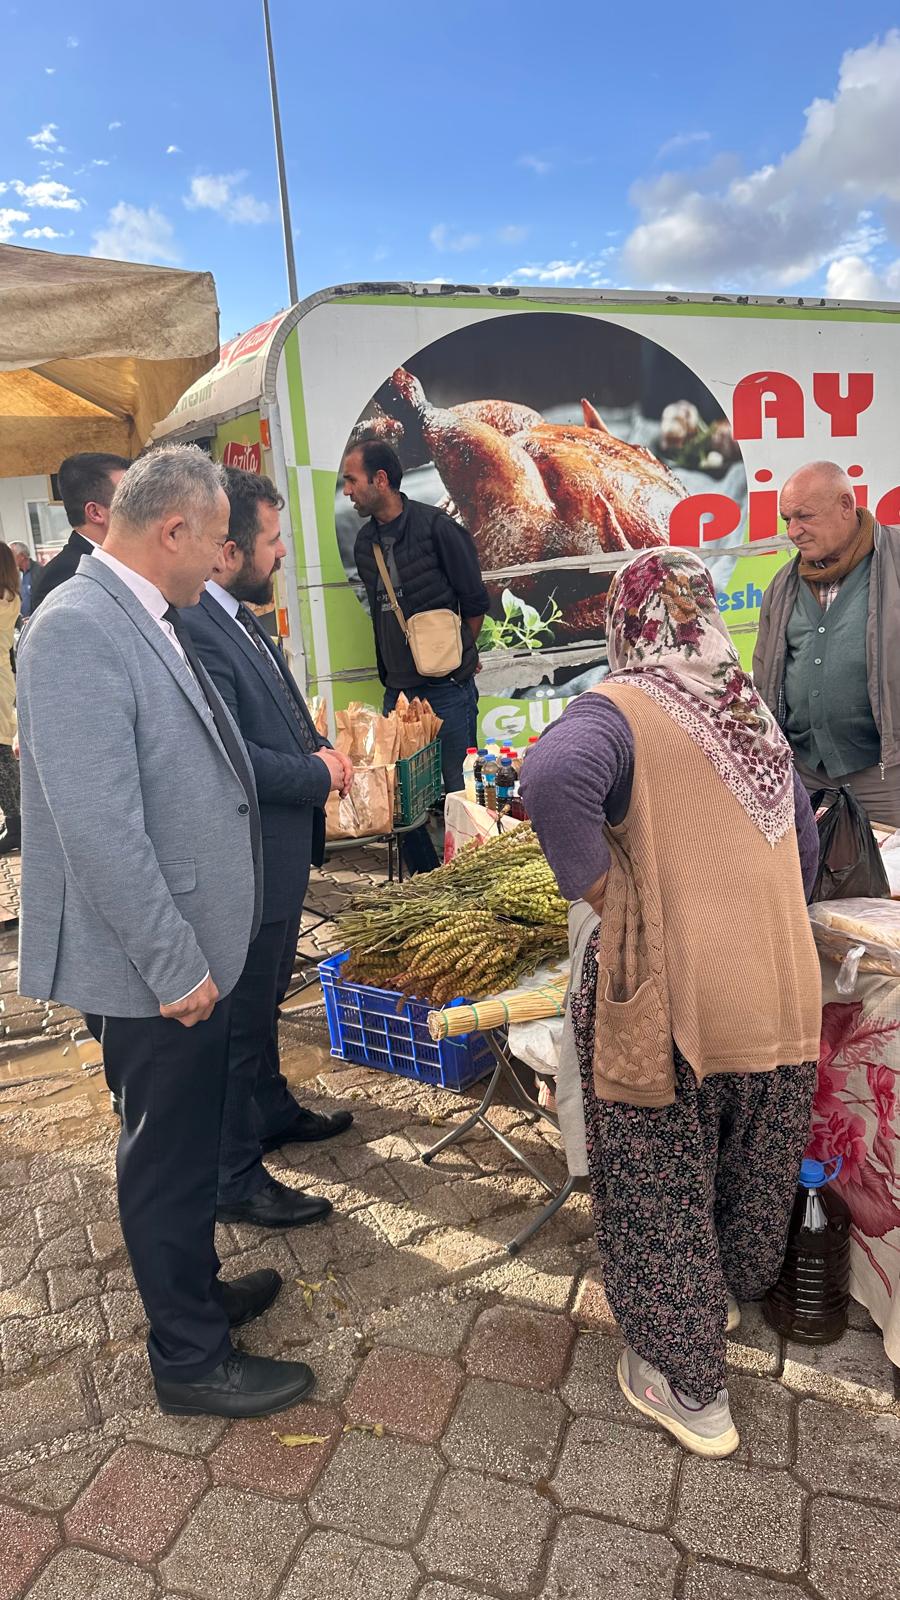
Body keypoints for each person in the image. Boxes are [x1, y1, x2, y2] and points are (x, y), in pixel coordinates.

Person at [17, 444, 317, 1419]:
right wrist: (171, 960)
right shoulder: (74, 627)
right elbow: (98, 824)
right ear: (174, 530)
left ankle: (197, 1291)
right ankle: (187, 1357)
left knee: (186, 1147)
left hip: (190, 940)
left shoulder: (146, 610)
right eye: (221, 536)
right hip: (156, 961)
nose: (229, 554)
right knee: (164, 1152)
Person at [521, 548, 822, 1458]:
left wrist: (603, 893)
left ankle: (686, 1384)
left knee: (658, 1181)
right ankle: (723, 1296)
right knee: (748, 1162)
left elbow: (546, 778)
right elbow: (804, 852)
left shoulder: (620, 709)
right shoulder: (749, 713)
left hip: (675, 993)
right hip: (780, 986)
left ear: (629, 622)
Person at [181, 466, 354, 1229]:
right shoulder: (195, 625)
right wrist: (314, 772)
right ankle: (234, 1177)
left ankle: (272, 1110)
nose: (282, 555)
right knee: (243, 1019)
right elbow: (231, 757)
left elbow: (279, 705)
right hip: (247, 862)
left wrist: (319, 745)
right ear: (225, 552)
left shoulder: (236, 611)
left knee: (264, 1006)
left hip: (277, 856)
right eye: (273, 541)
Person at [343, 439, 489, 872]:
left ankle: (467, 887)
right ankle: (426, 884)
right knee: (401, 805)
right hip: (398, 699)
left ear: (381, 480)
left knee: (458, 798)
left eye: (352, 480)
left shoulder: (436, 528)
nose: (347, 491)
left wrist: (457, 658)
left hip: (446, 693)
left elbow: (475, 603)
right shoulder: (364, 545)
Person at [754, 461, 900, 828]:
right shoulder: (782, 585)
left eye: (804, 516)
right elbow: (764, 676)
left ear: (846, 505)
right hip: (807, 779)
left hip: (886, 779)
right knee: (815, 880)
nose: (793, 531)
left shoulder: (896, 561)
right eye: (786, 519)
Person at [29, 452, 130, 615]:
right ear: (95, 512)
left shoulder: (126, 558)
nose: (142, 507)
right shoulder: (64, 574)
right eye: (129, 499)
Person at [0, 545, 21, 854]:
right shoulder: (9, 596)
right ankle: (15, 820)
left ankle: (17, 824)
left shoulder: (5, 600)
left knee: (2, 753)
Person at [9, 543, 37, 620]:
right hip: (22, 623)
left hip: (35, 621)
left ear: (22, 556)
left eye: (11, 555)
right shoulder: (16, 574)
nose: (9, 559)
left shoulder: (39, 572)